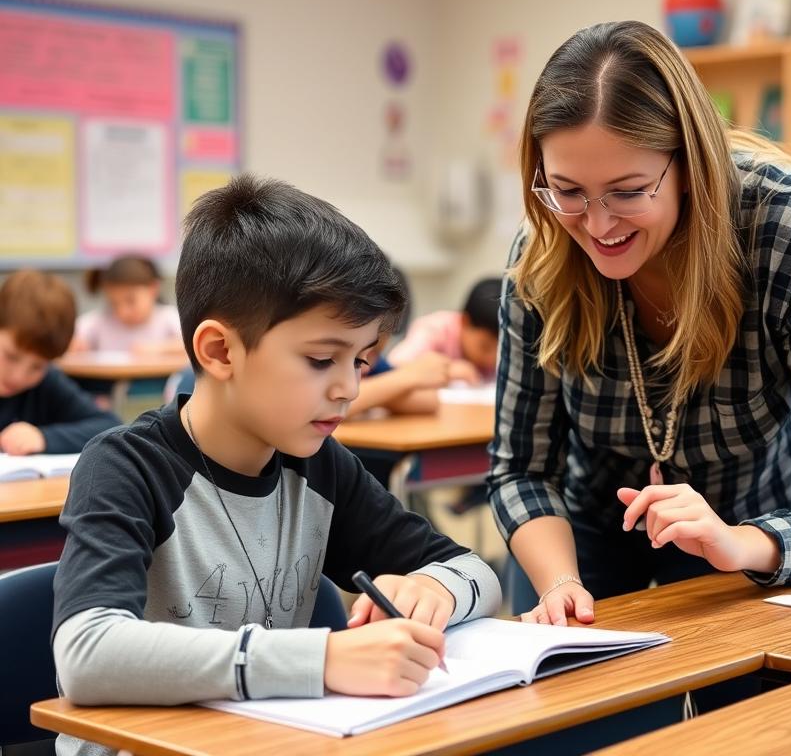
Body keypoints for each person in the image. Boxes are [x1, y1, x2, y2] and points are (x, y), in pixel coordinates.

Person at [52, 175, 501, 756]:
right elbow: (87, 655)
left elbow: (476, 572)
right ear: (219, 351)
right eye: (321, 360)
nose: (348, 389)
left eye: (362, 362)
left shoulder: (319, 466)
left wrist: (433, 588)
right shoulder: (126, 467)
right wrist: (321, 658)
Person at [487, 20, 791, 625]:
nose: (598, 224)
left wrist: (741, 543)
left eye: (628, 191)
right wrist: (560, 581)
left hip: (758, 528)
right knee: (570, 708)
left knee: (746, 718)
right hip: (589, 531)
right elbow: (521, 468)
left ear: (688, 165)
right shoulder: (543, 253)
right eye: (568, 191)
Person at [0, 270, 119, 454]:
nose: (18, 376)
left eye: (37, 366)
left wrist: (43, 437)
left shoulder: (47, 382)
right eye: (11, 356)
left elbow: (111, 427)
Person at [387, 277, 502, 383]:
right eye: (485, 347)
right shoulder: (434, 329)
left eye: (499, 350)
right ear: (464, 322)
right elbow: (395, 366)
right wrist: (448, 371)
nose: (491, 359)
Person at [71, 255, 183, 356]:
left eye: (131, 301)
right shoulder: (99, 322)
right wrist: (77, 344)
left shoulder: (167, 318)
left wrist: (159, 349)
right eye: (114, 304)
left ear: (153, 289)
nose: (122, 311)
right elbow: (71, 337)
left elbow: (191, 345)